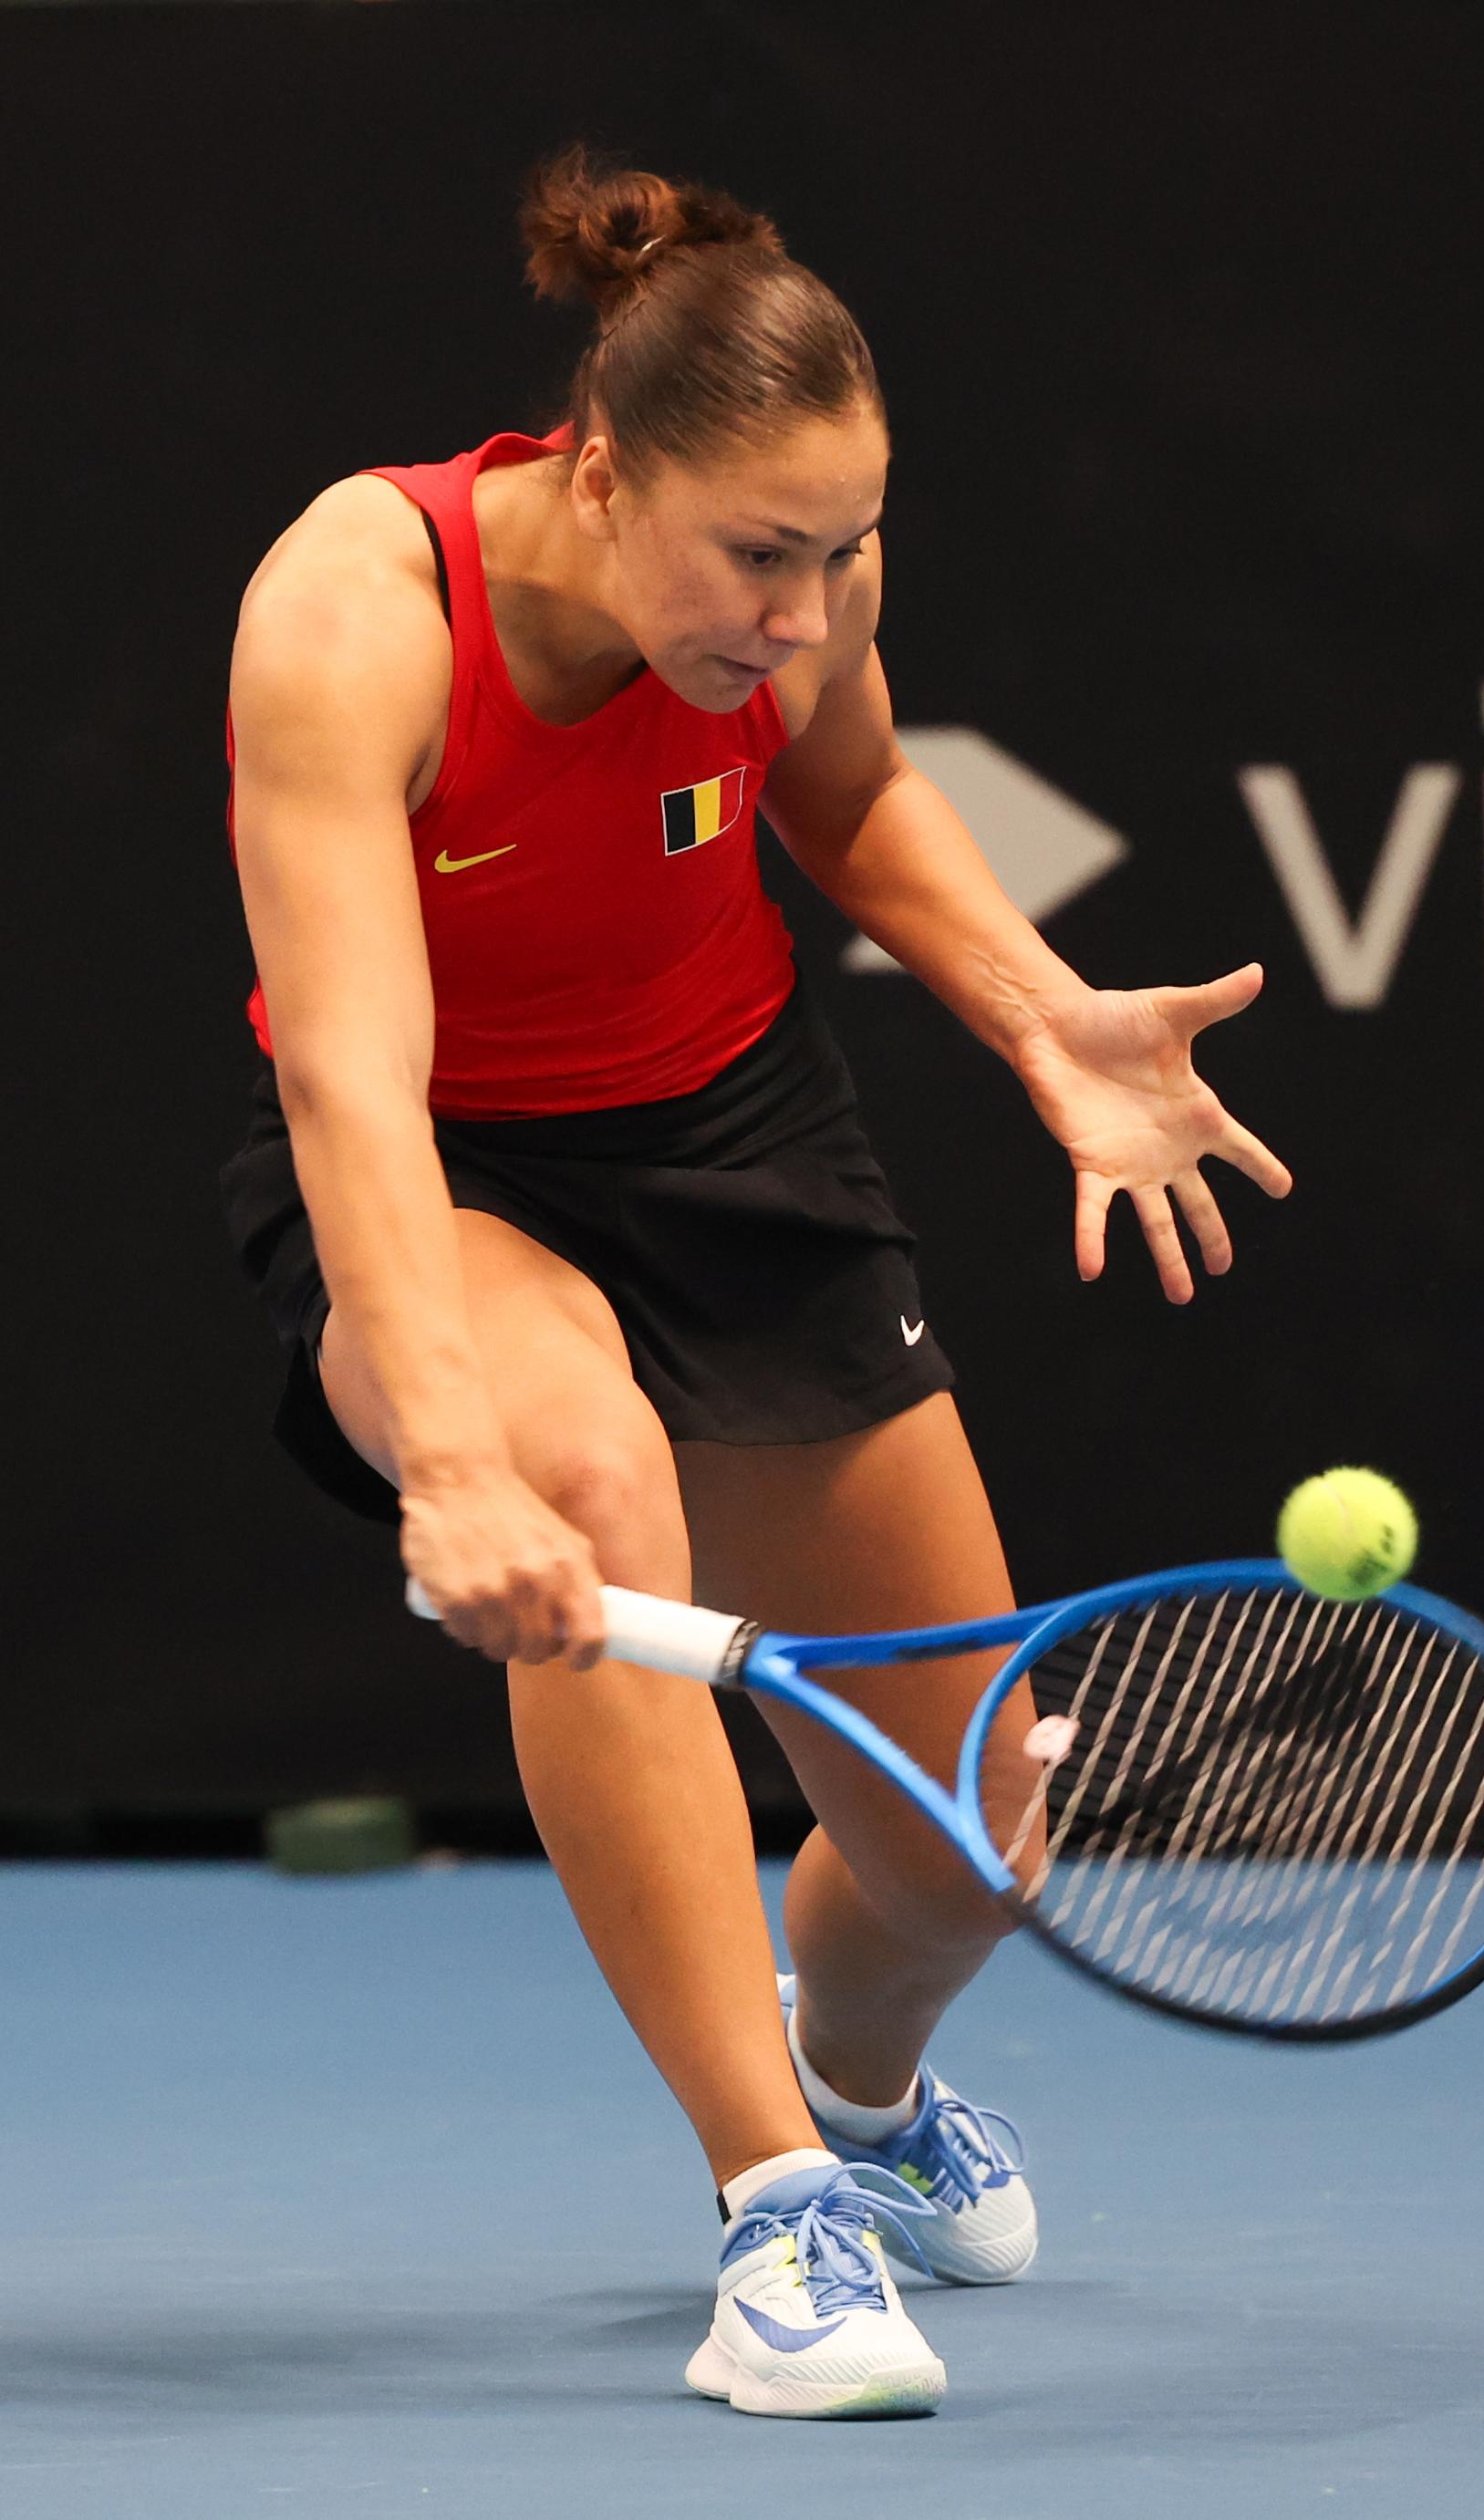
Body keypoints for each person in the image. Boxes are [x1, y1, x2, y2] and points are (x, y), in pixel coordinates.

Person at [220, 145, 1291, 2420]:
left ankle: (871, 2100)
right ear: (602, 474)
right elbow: (355, 1094)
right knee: (584, 1460)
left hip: (739, 1146)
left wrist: (1036, 1013)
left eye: (841, 558)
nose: (799, 617)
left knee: (967, 1843)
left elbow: (853, 790)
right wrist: (453, 1463)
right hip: (443, 1164)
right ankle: (772, 2207)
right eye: (756, 560)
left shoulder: (802, 586)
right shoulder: (353, 608)